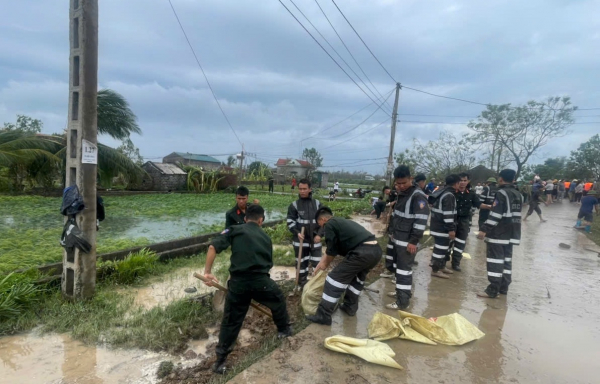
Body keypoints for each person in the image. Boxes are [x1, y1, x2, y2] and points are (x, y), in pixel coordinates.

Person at [201, 204, 292, 374]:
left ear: (245, 219)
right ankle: (284, 330)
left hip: (238, 284)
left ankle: (220, 362)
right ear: (261, 220)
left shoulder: (234, 229)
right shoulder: (266, 237)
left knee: (231, 322)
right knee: (278, 299)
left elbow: (213, 247)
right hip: (261, 282)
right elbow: (268, 265)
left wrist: (207, 272)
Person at [306, 207, 382, 325]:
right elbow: (330, 251)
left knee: (333, 280)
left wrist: (325, 265)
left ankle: (323, 315)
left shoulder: (329, 224)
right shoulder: (340, 222)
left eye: (319, 224)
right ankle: (349, 307)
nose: (321, 227)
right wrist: (321, 263)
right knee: (356, 280)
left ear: (323, 219)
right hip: (375, 251)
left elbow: (331, 250)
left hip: (362, 253)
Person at [384, 165, 429, 310]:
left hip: (407, 241)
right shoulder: (402, 194)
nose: (401, 186)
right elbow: (398, 216)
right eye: (398, 183)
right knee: (397, 268)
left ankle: (402, 302)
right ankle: (400, 292)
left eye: (404, 183)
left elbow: (421, 220)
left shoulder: (417, 195)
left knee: (404, 270)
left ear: (411, 178)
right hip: (397, 237)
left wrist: (413, 241)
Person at [476, 169, 522, 298]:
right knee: (507, 261)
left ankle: (492, 290)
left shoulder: (501, 193)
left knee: (495, 261)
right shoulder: (518, 194)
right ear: (513, 179)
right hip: (512, 234)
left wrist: (484, 229)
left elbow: (496, 214)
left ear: (500, 179)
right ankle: (503, 288)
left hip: (498, 234)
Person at [450, 173, 490, 271]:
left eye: (465, 180)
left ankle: (456, 263)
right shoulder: (451, 193)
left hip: (464, 220)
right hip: (451, 219)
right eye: (460, 180)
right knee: (448, 241)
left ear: (468, 181)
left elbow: (479, 205)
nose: (462, 183)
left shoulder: (471, 194)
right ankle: (442, 262)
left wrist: (491, 207)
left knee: (461, 242)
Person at [286, 178, 322, 287]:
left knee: (318, 264)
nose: (302, 191)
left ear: (310, 189)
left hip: (315, 239)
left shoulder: (317, 204)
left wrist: (320, 234)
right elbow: (290, 222)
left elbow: (325, 222)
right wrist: (297, 232)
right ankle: (301, 285)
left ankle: (316, 287)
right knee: (301, 264)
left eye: (304, 189)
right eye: (300, 189)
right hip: (300, 239)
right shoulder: (294, 205)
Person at [428, 174, 460, 279]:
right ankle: (435, 269)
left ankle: (441, 267)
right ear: (456, 184)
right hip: (442, 228)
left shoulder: (440, 191)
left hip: (436, 225)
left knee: (442, 248)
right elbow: (448, 214)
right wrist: (451, 229)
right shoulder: (449, 195)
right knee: (440, 249)